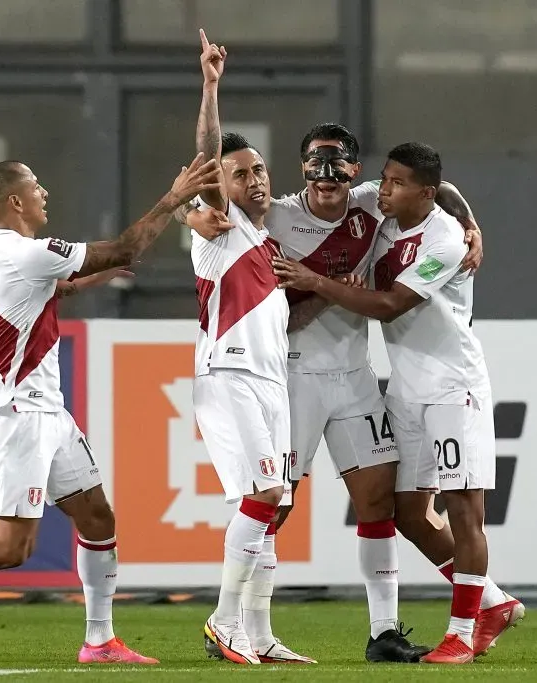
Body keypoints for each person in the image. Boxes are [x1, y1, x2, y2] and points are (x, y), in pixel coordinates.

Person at [0, 154, 222, 665]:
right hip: (20, 415)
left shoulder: (2, 254)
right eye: (34, 184)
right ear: (14, 201)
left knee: (97, 518)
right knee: (11, 550)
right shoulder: (20, 253)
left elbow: (63, 285)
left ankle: (99, 643)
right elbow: (124, 245)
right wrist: (174, 198)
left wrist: (103, 271)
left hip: (49, 411)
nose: (43, 191)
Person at [273, 141, 506, 664]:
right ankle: (493, 602)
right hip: (404, 389)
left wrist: (314, 282)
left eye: (396, 184)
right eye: (384, 180)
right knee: (406, 511)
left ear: (422, 195)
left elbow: (390, 306)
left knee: (465, 513)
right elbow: (440, 185)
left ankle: (463, 632)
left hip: (452, 388)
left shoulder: (444, 240)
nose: (384, 190)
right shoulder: (381, 219)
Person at [185, 29, 315, 666]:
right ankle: (221, 622)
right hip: (229, 376)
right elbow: (208, 153)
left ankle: (258, 633)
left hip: (270, 383)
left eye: (260, 169)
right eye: (241, 174)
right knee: (263, 499)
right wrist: (211, 84)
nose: (255, 180)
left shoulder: (267, 242)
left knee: (273, 506)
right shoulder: (219, 225)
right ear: (222, 186)